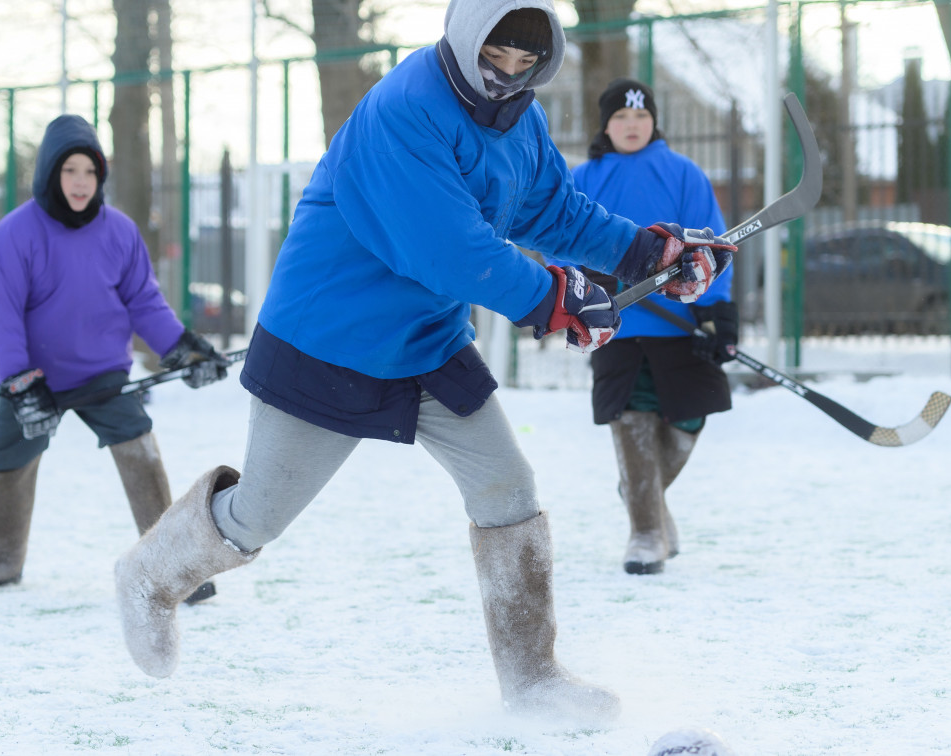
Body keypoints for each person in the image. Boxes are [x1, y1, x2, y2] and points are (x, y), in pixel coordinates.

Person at [113, 0, 734, 722]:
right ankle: (150, 577)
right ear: (466, 36)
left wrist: (643, 252)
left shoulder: (519, 119)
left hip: (428, 339)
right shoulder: (404, 111)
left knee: (508, 488)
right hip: (331, 338)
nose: (505, 75)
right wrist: (553, 298)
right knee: (256, 517)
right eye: (493, 57)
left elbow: (554, 212)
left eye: (523, 62)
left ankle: (532, 679)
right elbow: (445, 248)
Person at [0, 114, 230, 602]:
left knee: (139, 445)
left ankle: (170, 564)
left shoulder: (120, 232)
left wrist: (180, 349)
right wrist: (20, 382)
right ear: (50, 173)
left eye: (90, 172)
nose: (80, 182)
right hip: (32, 380)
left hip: (103, 373)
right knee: (6, 454)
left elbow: (144, 301)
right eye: (70, 170)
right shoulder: (13, 235)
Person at [562, 78, 739, 576]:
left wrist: (717, 311)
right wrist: (584, 279)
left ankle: (646, 500)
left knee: (690, 418)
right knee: (631, 417)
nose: (632, 125)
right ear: (606, 124)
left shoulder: (682, 173)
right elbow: (557, 239)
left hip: (679, 326)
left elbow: (713, 244)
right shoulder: (584, 177)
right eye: (620, 117)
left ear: (654, 120)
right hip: (614, 323)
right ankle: (645, 533)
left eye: (640, 116)